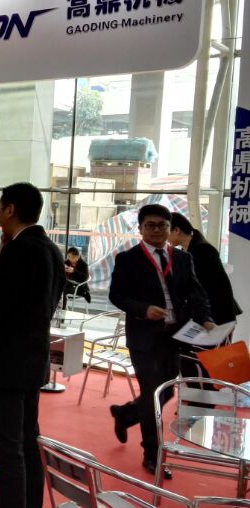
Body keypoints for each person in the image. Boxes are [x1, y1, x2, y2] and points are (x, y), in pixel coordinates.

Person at [0, 182, 66, 508]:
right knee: (28, 443)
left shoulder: (20, 251)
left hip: (4, 367)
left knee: (7, 452)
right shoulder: (51, 250)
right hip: (31, 362)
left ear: (10, 209)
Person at [108, 204, 215, 478]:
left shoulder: (182, 259)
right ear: (140, 228)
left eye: (162, 225)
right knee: (153, 393)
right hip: (144, 337)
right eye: (150, 225)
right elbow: (116, 295)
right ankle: (152, 454)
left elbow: (197, 293)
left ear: (170, 228)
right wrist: (143, 309)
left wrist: (205, 318)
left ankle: (126, 414)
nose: (156, 230)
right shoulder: (127, 259)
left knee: (165, 392)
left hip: (174, 336)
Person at [169, 212, 242, 393]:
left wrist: (205, 319)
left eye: (166, 231)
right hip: (207, 316)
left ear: (176, 230)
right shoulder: (190, 250)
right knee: (192, 358)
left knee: (200, 360)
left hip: (216, 317)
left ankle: (204, 398)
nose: (165, 238)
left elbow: (215, 289)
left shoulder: (202, 250)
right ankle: (201, 397)